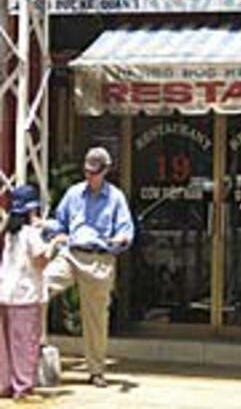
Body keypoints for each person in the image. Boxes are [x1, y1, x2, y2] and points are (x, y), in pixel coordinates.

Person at [43, 147, 134, 388]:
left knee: (96, 319)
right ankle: (37, 346)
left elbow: (126, 230)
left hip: (99, 259)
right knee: (39, 288)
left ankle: (96, 370)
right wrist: (49, 229)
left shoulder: (115, 197)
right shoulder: (74, 193)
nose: (89, 176)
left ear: (105, 171)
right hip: (71, 254)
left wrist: (121, 240)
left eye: (94, 172)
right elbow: (60, 221)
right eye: (87, 171)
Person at [0, 185, 60, 400]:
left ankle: (5, 384)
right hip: (25, 295)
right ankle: (23, 387)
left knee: (5, 344)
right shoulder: (31, 234)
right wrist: (54, 243)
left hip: (5, 292)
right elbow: (40, 262)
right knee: (25, 342)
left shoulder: (9, 233)